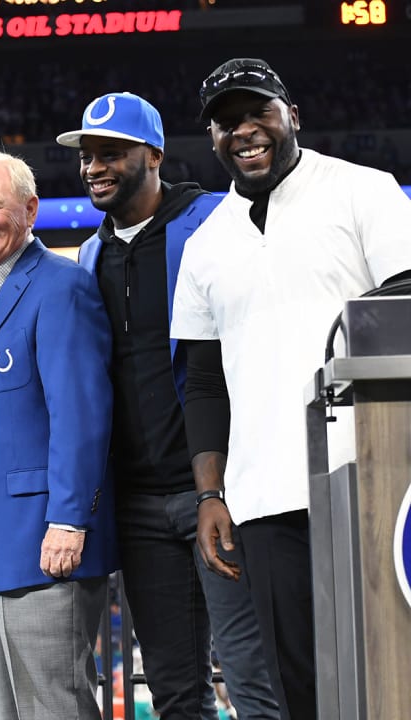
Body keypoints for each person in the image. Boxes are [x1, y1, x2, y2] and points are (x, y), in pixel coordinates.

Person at [171, 58, 411, 720]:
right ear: (213, 138)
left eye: (258, 113)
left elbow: (407, 298)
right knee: (300, 688)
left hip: (375, 479)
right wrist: (211, 494)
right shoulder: (205, 242)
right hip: (265, 499)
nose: (244, 130)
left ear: (291, 116)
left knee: (393, 669)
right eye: (226, 121)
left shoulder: (363, 190)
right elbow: (203, 382)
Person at [56, 93, 279, 719]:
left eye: (112, 154)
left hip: (222, 489)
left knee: (252, 677)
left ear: (153, 155)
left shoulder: (217, 219)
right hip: (141, 506)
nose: (95, 167)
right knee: (178, 691)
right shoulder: (94, 250)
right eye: (88, 157)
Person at [0, 148, 115, 720]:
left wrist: (69, 519)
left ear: (30, 210)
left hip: (46, 543)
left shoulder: (60, 286)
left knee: (54, 708)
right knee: (13, 712)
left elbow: (81, 413)